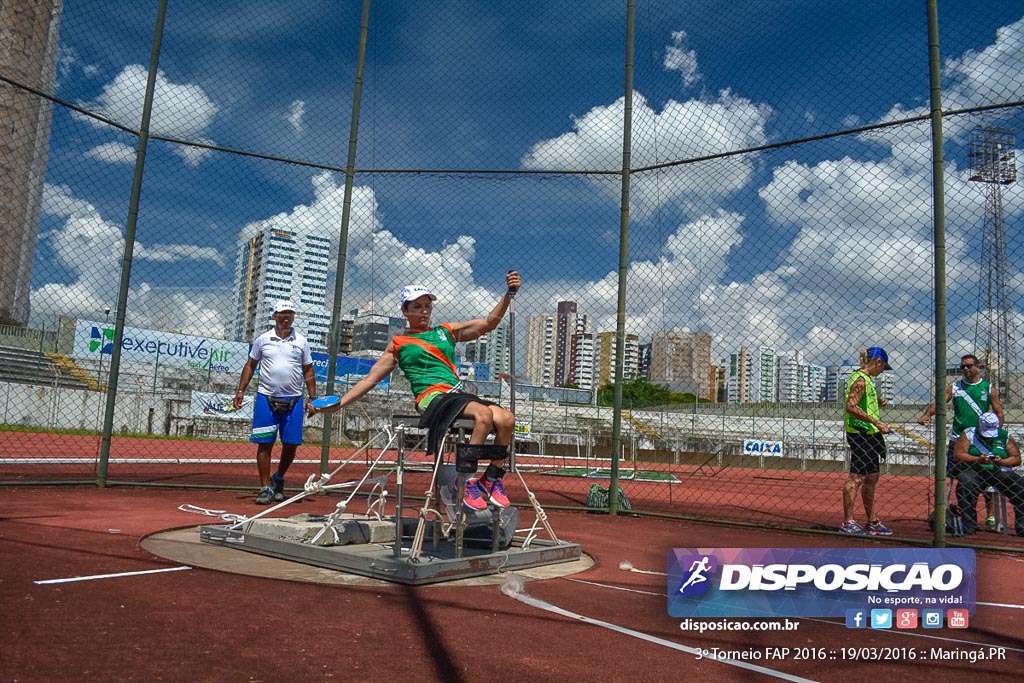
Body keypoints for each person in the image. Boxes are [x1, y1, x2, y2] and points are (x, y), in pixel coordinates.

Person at [333, 271, 521, 511]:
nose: (423, 311)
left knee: (507, 419)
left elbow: (488, 323)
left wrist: (507, 294)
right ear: (405, 310)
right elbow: (370, 379)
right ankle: (463, 481)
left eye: (427, 306)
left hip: (456, 393)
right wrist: (341, 402)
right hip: (431, 397)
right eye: (417, 306)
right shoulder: (399, 344)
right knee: (483, 415)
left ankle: (492, 478)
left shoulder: (446, 332)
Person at [234, 300, 317, 505]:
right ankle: (265, 487)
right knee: (264, 444)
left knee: (291, 444)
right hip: (265, 398)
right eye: (282, 314)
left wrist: (312, 398)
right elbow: (251, 365)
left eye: (290, 314)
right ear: (274, 317)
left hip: (294, 400)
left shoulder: (301, 341)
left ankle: (278, 478)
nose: (286, 317)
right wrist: (241, 390)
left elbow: (308, 369)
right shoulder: (263, 340)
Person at [918, 353, 1004, 529]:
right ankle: (960, 513)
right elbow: (940, 403)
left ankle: (990, 516)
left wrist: (995, 432)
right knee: (957, 479)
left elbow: (998, 412)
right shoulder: (955, 387)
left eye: (969, 365)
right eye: (963, 366)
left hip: (982, 440)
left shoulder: (988, 388)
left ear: (977, 367)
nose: (965, 369)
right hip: (959, 439)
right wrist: (927, 414)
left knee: (988, 478)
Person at [840, 346, 894, 535]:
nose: (882, 372)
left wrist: (876, 402)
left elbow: (861, 402)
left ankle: (872, 521)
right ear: (878, 362)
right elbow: (851, 406)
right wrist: (877, 422)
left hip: (871, 435)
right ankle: (848, 522)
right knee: (856, 478)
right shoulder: (861, 380)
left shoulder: (868, 381)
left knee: (871, 476)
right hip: (860, 433)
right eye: (883, 367)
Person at [952, 411, 1024, 536]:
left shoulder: (1004, 436)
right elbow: (958, 455)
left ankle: (1022, 526)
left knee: (1020, 486)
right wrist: (977, 459)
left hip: (999, 471)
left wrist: (1002, 461)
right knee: (965, 482)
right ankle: (969, 525)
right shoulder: (968, 434)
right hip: (975, 471)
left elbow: (1016, 458)